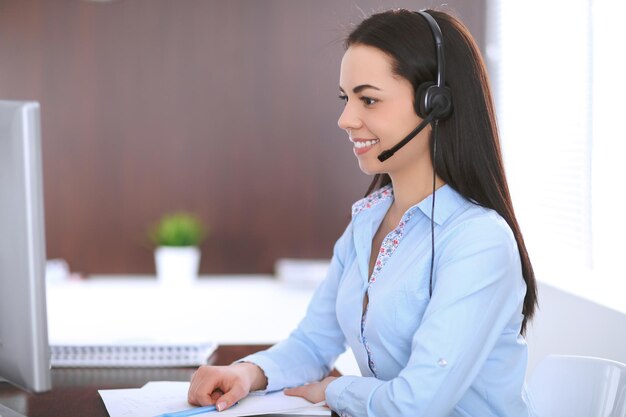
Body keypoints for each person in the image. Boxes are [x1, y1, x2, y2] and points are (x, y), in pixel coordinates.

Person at [187, 8, 538, 417]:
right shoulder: (369, 220)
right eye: (346, 98)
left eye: (368, 99)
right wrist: (247, 373)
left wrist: (334, 391)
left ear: (435, 105)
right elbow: (314, 342)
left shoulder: (478, 241)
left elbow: (417, 404)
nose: (346, 119)